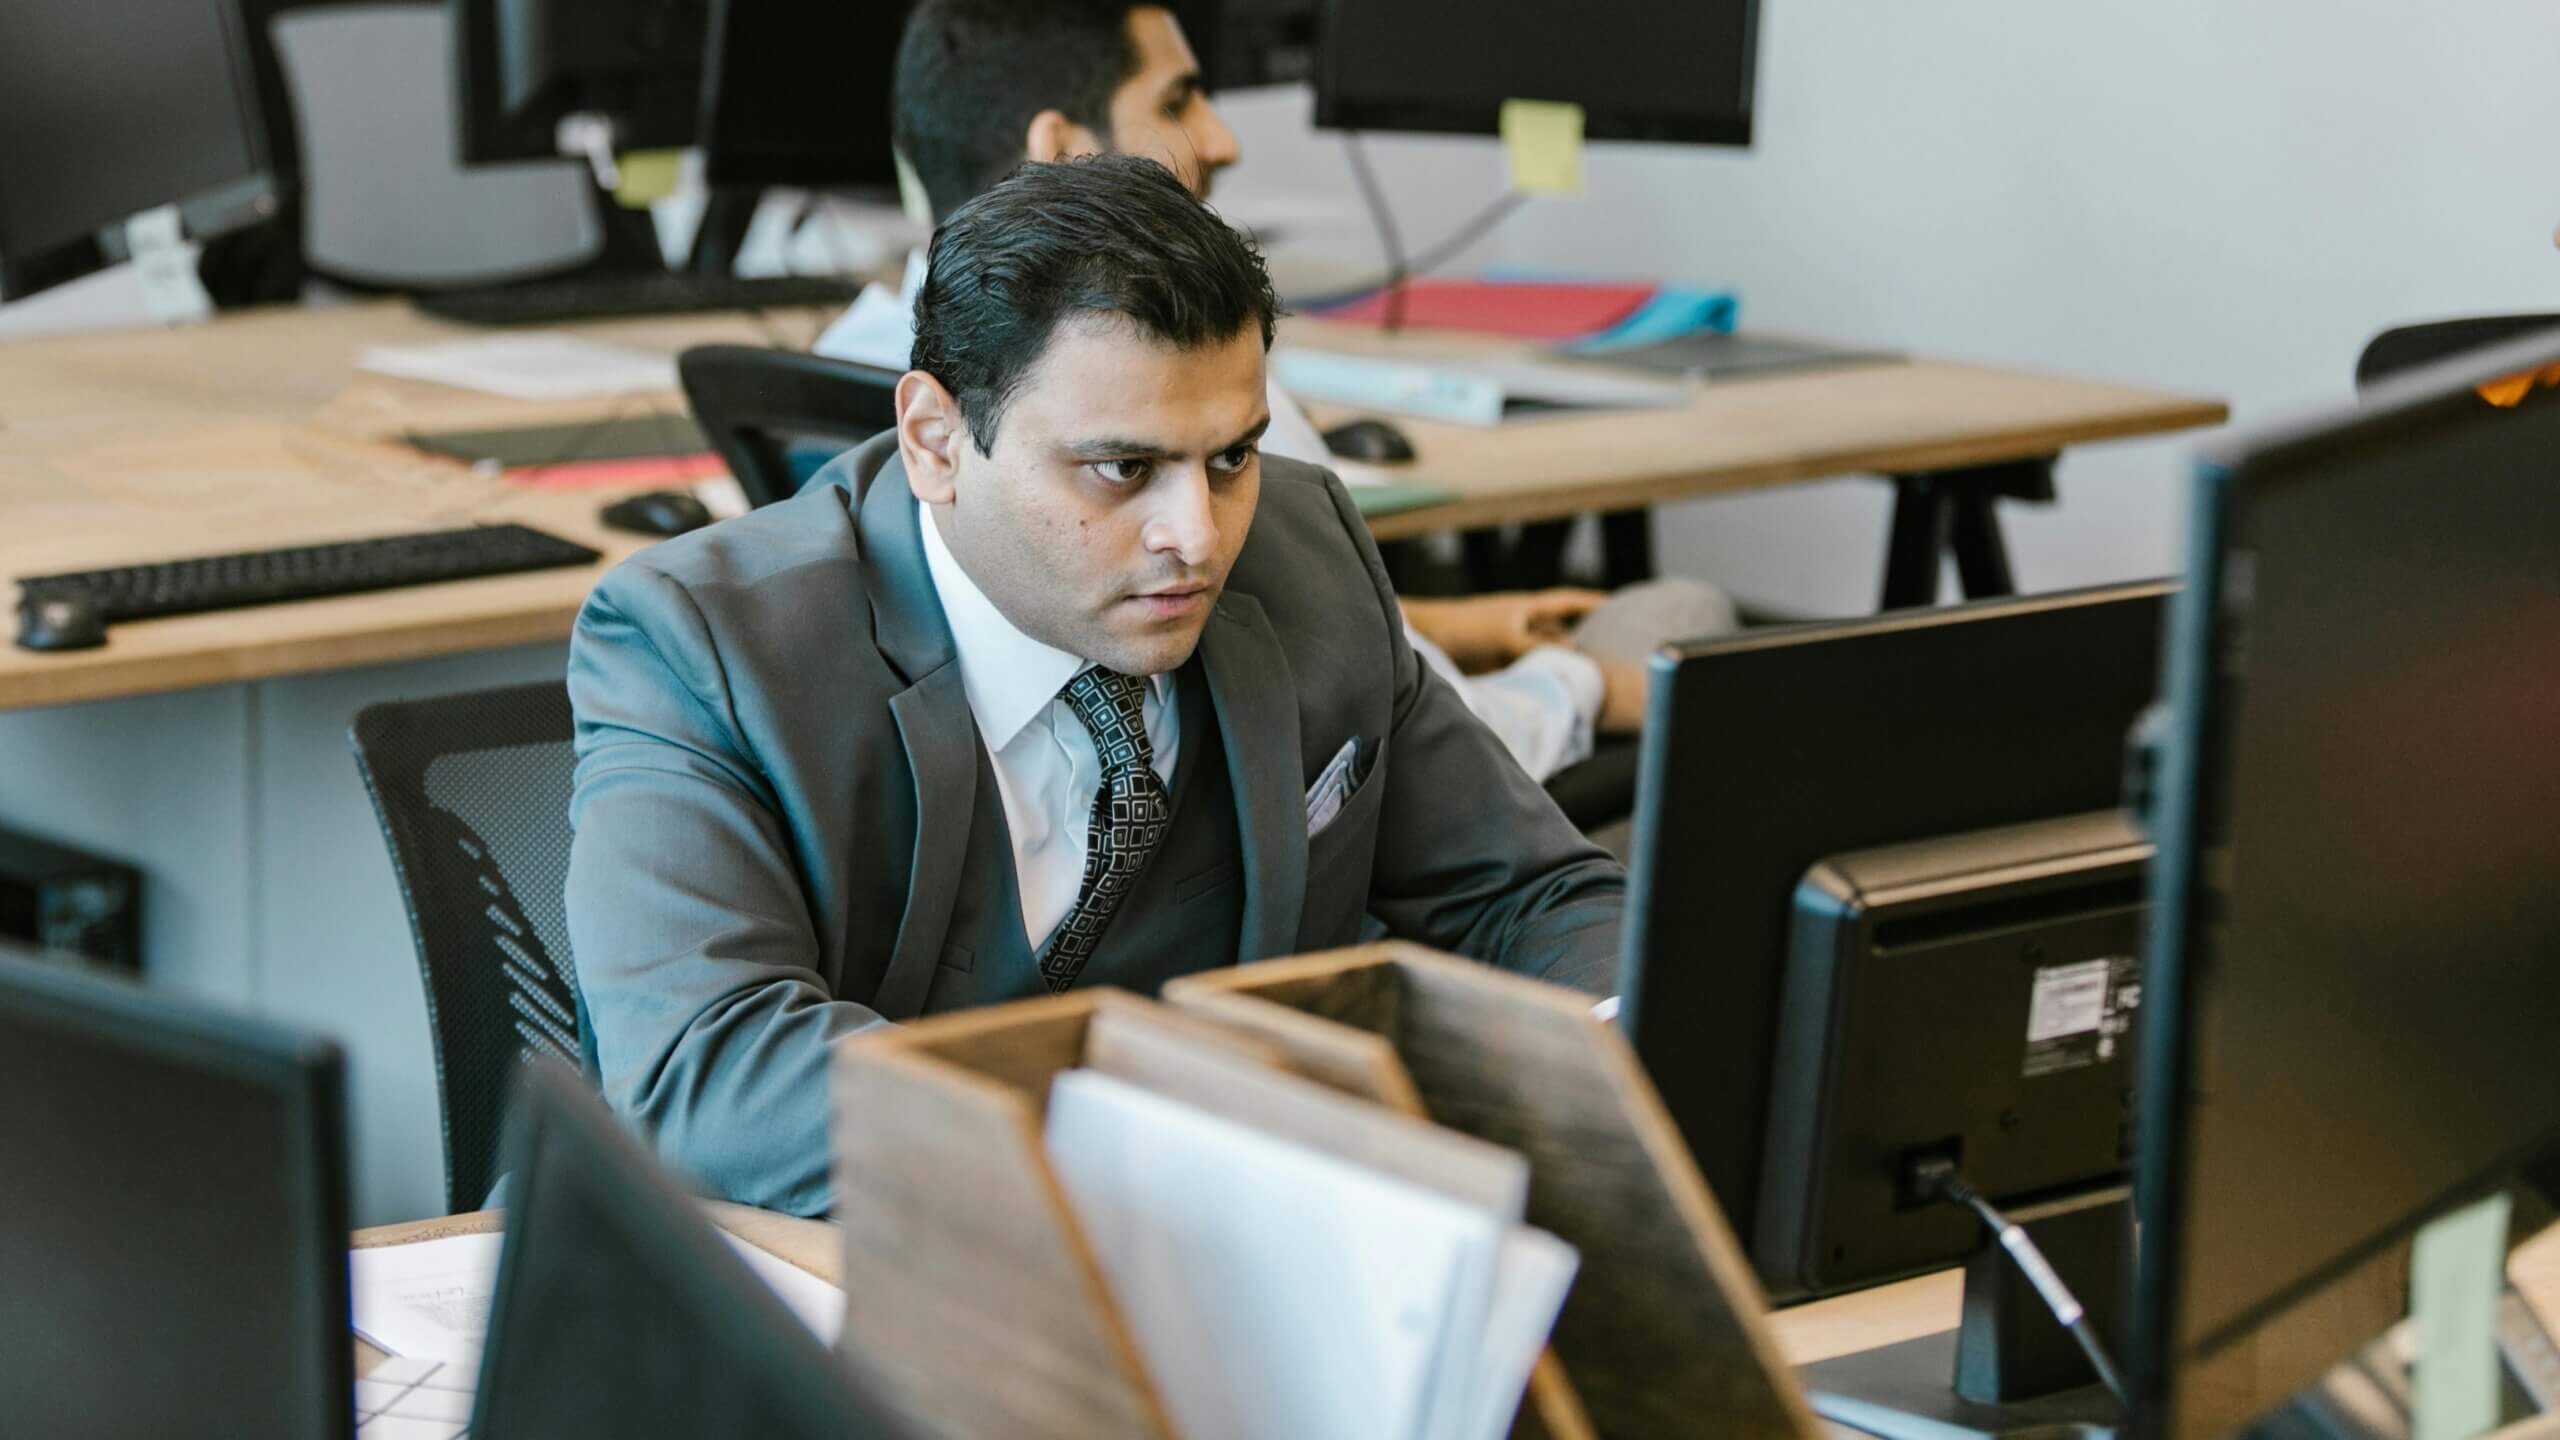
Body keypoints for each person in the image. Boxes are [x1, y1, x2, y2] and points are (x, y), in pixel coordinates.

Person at [566, 155, 1625, 1214]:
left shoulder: (1307, 557)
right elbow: (714, 1073)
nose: (1197, 538)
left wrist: (1627, 1043)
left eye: (1230, 458)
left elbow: (1530, 896)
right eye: (1121, 469)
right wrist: (1178, 1148)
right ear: (936, 443)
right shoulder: (700, 643)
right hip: (824, 1275)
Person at [816, 0, 1734, 783]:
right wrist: (1594, 689)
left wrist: (1443, 622)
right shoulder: (1202, 390)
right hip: (1285, 831)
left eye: (1230, 463)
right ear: (1061, 150)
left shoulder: (849, 352)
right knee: (1686, 618)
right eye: (1177, 99)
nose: (1221, 137)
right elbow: (1409, 752)